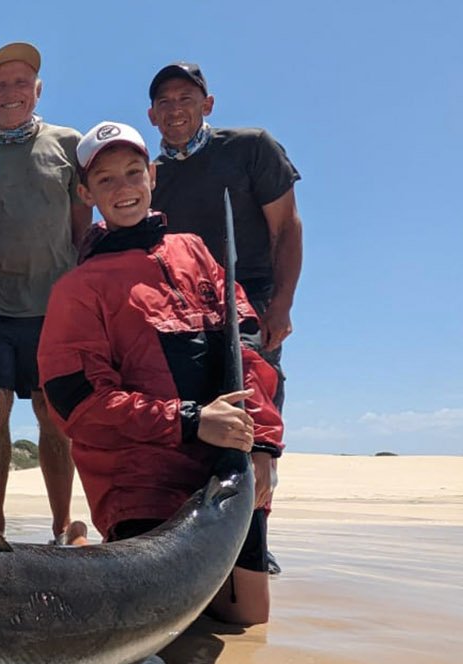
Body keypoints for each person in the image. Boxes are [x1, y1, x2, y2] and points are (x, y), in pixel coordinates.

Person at [37, 123, 283, 624]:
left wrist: (263, 446)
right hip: (141, 481)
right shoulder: (76, 289)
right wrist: (190, 420)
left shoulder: (195, 251)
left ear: (153, 175)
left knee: (248, 624)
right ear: (86, 193)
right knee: (156, 633)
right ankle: (82, 544)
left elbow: (251, 349)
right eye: (105, 180)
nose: (123, 188)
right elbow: (78, 407)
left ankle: (88, 548)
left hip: (224, 466)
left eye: (133, 172)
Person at [0, 42, 91, 545]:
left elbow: (82, 227)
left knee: (54, 417)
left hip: (54, 307)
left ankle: (61, 526)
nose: (10, 94)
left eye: (20, 84)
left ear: (37, 91)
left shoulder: (69, 143)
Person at [146, 61, 302, 411]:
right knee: (198, 409)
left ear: (208, 104)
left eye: (186, 98)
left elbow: (287, 227)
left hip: (250, 296)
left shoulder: (251, 147)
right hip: (187, 309)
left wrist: (282, 304)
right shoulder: (148, 178)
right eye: (164, 102)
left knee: (251, 395)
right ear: (152, 115)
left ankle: (264, 467)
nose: (175, 110)